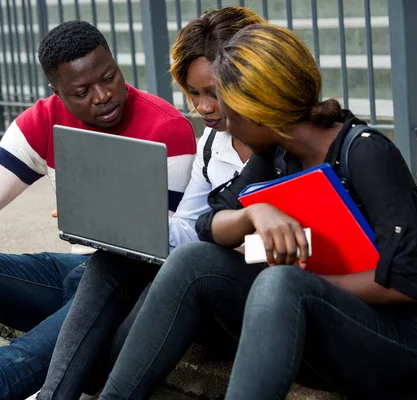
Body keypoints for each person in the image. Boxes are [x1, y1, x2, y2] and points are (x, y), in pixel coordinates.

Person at [98, 24, 417, 400]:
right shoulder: (276, 153)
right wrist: (254, 214)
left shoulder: (366, 154)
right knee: (192, 261)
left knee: (279, 281)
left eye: (230, 112)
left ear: (258, 113)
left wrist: (306, 284)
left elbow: (411, 283)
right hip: (321, 332)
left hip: (406, 345)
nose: (223, 124)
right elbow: (206, 225)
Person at [0, 20, 196, 400]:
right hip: (73, 274)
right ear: (57, 92)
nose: (102, 96)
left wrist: (104, 219)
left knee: (1, 374)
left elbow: (157, 252)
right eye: (81, 91)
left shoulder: (165, 128)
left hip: (123, 296)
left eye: (109, 77)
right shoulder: (42, 121)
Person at [36, 8, 263, 399]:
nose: (203, 107)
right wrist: (118, 216)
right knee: (114, 257)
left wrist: (240, 239)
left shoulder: (289, 145)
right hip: (204, 294)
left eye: (214, 92)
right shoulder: (212, 143)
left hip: (258, 299)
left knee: (190, 265)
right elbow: (188, 229)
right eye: (194, 93)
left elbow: (314, 245)